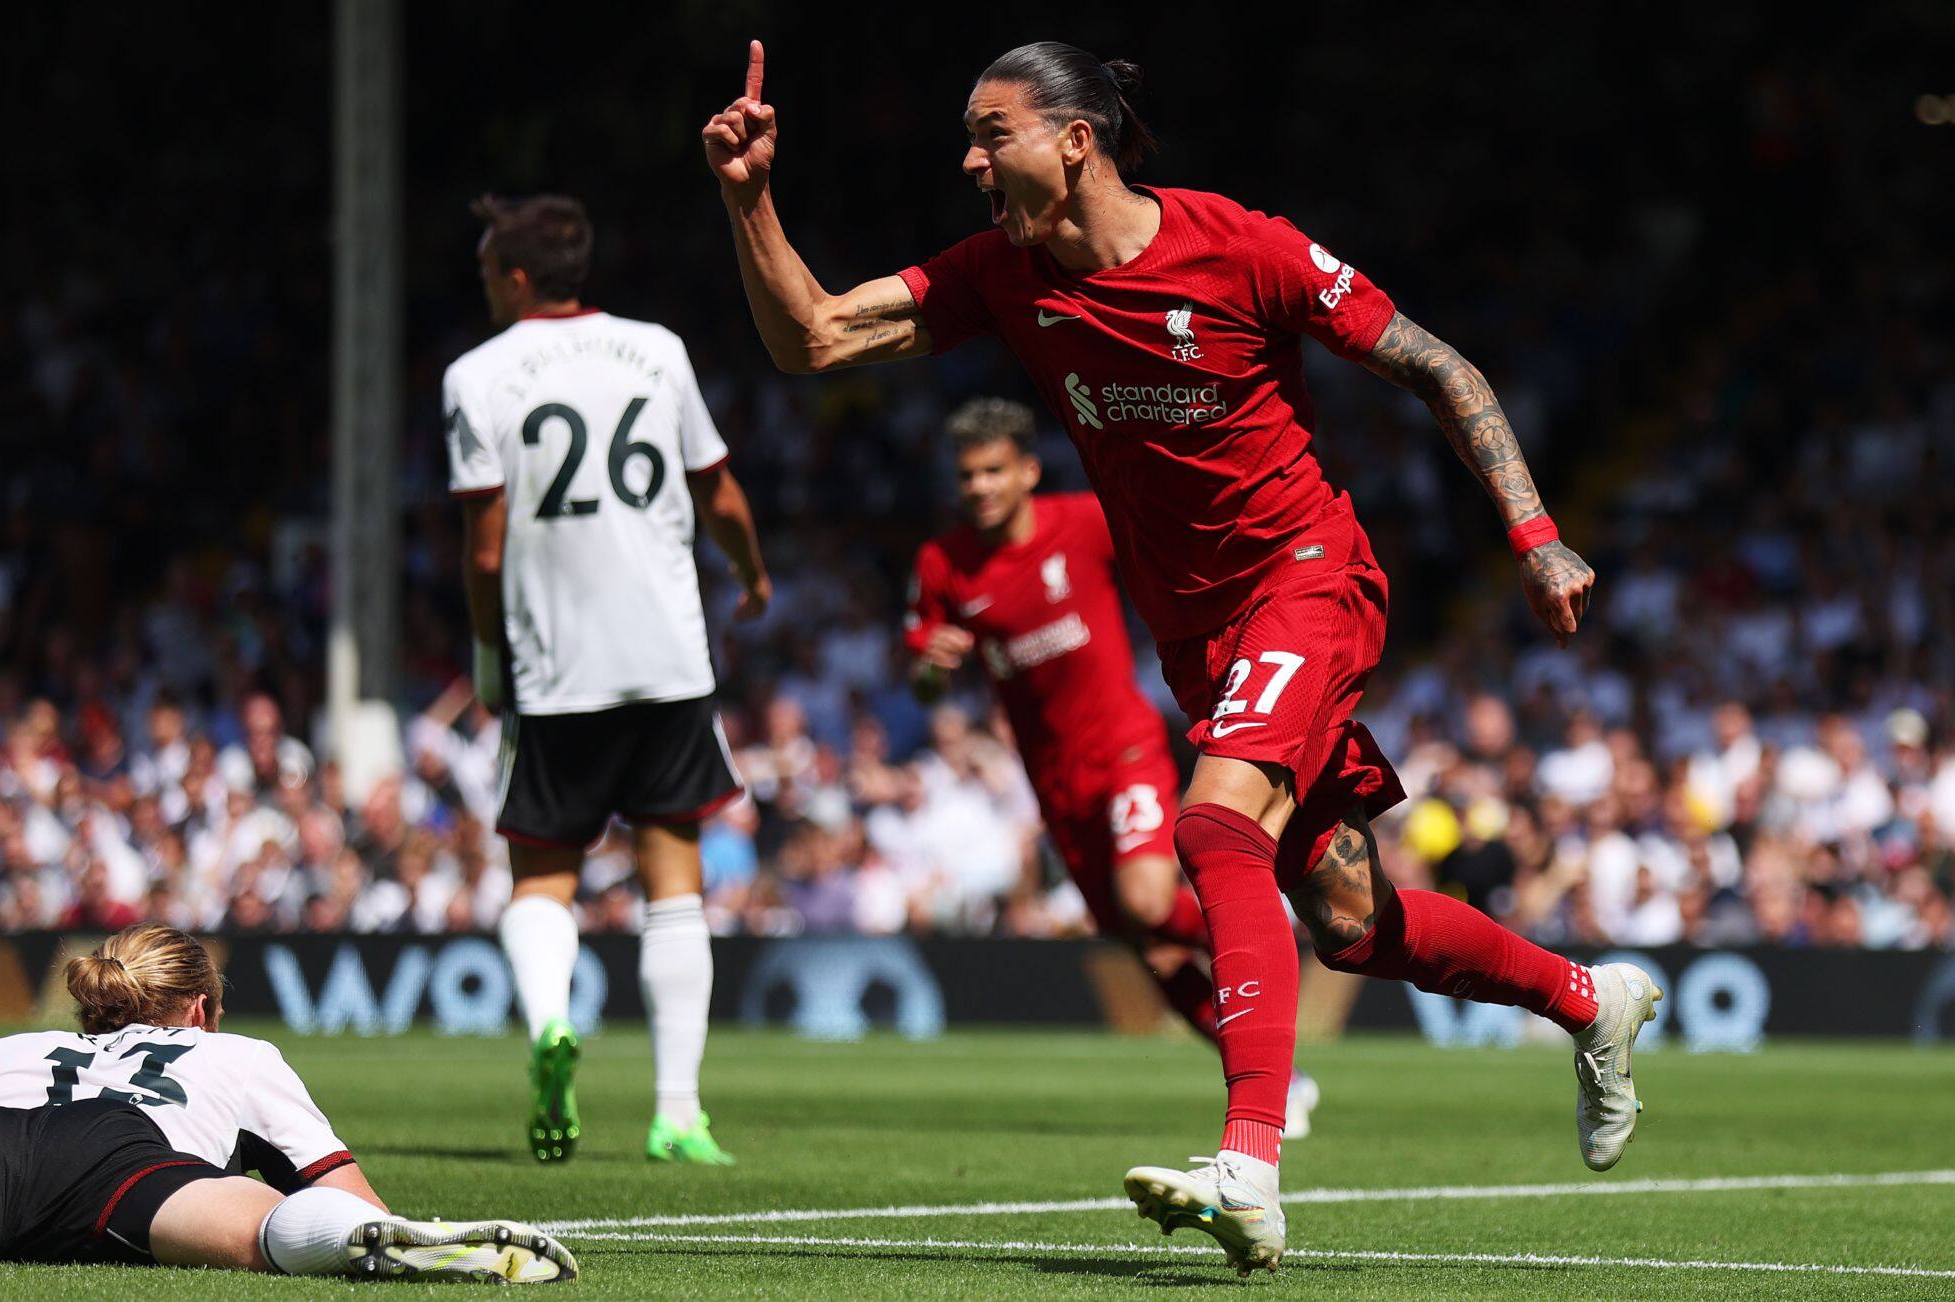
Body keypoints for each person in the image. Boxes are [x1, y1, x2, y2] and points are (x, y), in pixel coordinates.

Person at [703, 39, 1659, 1274]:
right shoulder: (1004, 276)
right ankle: (1593, 1000)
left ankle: (1248, 1167)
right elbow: (815, 341)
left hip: (1307, 577)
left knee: (1213, 831)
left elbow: (1437, 364)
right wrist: (748, 198)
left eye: (991, 133)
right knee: (1352, 921)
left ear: (1075, 141)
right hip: (1196, 633)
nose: (969, 160)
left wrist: (1533, 535)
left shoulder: (1242, 248)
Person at [449, 193, 771, 1166]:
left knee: (543, 877)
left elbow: (485, 546)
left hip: (558, 667)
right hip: (667, 654)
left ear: (513, 278)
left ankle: (551, 1022)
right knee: (674, 882)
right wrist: (750, 574)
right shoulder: (658, 349)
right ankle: (679, 1113)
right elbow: (715, 489)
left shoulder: (478, 375)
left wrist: (486, 657)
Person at [906, 397, 1319, 1136]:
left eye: (995, 471)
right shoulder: (943, 564)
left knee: (1144, 901)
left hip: (1125, 747)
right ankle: (1278, 1085)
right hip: (1054, 782)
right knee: (1149, 953)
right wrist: (933, 670)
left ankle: (1266, 932)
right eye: (968, 476)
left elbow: (1169, 555)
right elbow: (923, 674)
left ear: (1028, 471)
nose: (980, 488)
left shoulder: (1085, 523)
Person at [0, 924, 573, 1282]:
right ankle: (370, 1248)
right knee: (270, 1229)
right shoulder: (234, 1054)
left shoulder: (7, 1050)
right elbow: (349, 1190)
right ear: (202, 1008)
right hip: (124, 1162)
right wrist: (367, 1219)